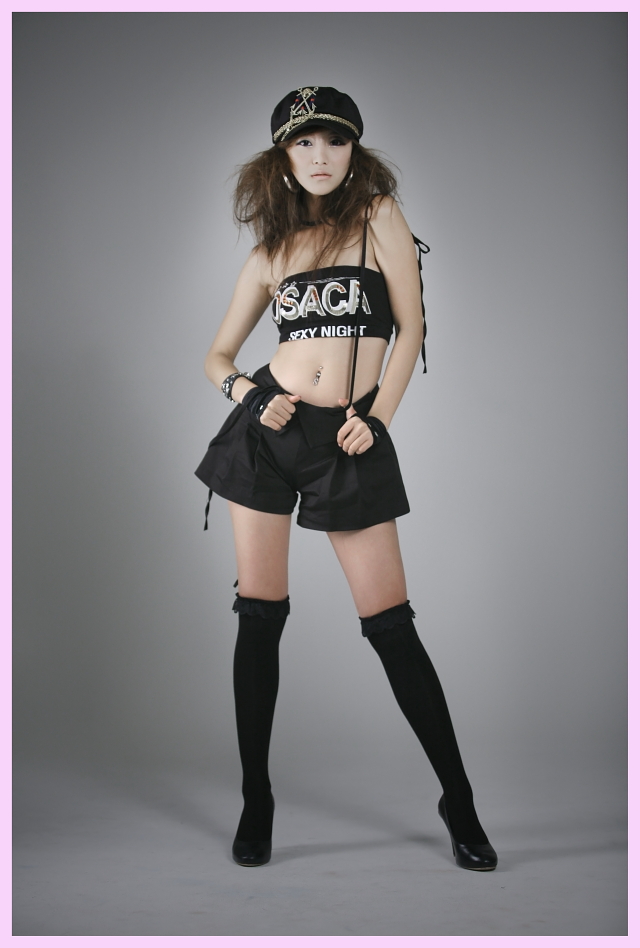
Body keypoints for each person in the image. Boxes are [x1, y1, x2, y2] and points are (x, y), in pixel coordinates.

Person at [195, 86, 497, 871]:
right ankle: (256, 797)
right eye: (304, 143)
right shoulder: (271, 251)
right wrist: (248, 395)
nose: (320, 156)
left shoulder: (379, 217)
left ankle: (459, 801)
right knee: (259, 615)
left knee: (390, 624)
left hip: (348, 437)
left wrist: (380, 419)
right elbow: (216, 357)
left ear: (355, 149)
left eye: (334, 140)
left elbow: (412, 328)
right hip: (269, 435)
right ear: (282, 158)